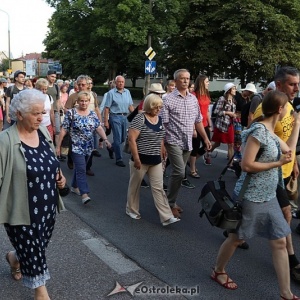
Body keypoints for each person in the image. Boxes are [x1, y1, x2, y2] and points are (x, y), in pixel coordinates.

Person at [211, 90, 300, 300]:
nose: (288, 112)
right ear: (279, 109)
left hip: (269, 196)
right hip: (251, 197)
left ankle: (285, 293)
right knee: (236, 238)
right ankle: (218, 271)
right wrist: (277, 163)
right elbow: (246, 165)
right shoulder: (259, 131)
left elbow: (289, 151)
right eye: (287, 108)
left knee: (279, 241)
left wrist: (297, 126)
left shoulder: (272, 133)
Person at [0, 89, 66, 300]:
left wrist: (60, 176)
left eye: (43, 113)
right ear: (19, 114)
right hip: (20, 208)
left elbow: (50, 162)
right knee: (34, 251)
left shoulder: (43, 133)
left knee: (36, 247)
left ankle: (14, 258)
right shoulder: (5, 141)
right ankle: (41, 293)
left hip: (47, 206)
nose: (41, 118)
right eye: (36, 113)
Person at [253, 66, 300, 282]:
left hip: (285, 169)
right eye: (292, 84)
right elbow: (253, 139)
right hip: (271, 172)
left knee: (247, 218)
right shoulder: (267, 108)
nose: (297, 88)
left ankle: (234, 230)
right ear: (279, 85)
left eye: (298, 84)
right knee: (286, 213)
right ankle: (292, 261)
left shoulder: (288, 105)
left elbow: (288, 139)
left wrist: (294, 165)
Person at [161, 69, 211, 218]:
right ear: (175, 81)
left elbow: (198, 121)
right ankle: (169, 204)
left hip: (187, 141)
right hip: (173, 140)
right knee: (179, 172)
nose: (185, 81)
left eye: (187, 79)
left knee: (178, 173)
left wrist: (206, 138)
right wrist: (162, 144)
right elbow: (163, 123)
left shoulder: (193, 99)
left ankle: (171, 201)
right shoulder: (167, 99)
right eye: (182, 78)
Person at [126, 93, 180, 226]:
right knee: (135, 186)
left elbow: (161, 137)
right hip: (140, 159)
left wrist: (162, 150)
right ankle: (131, 209)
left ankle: (166, 216)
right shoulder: (140, 118)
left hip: (155, 159)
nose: (158, 109)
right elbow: (131, 139)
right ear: (149, 106)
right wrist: (137, 158)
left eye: (160, 107)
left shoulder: (159, 119)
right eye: (156, 107)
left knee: (159, 188)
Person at [56, 91, 111, 204]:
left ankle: (74, 186)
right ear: (78, 101)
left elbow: (98, 128)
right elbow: (64, 130)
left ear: (89, 102)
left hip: (89, 146)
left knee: (81, 167)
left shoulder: (92, 114)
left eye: (86, 101)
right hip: (76, 146)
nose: (84, 103)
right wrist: (58, 146)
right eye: (82, 101)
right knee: (81, 169)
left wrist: (105, 140)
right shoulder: (71, 113)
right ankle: (84, 193)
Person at [104, 75, 134, 167]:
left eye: (122, 82)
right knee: (117, 138)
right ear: (116, 83)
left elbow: (130, 106)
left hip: (124, 117)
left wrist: (137, 116)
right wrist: (106, 121)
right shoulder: (111, 93)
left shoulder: (127, 92)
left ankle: (111, 148)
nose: (121, 83)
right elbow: (107, 108)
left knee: (122, 138)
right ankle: (119, 159)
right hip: (115, 117)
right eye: (119, 82)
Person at [207, 83, 237, 170]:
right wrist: (227, 112)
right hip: (221, 125)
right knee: (217, 143)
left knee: (231, 144)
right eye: (234, 89)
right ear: (229, 90)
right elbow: (216, 112)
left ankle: (230, 164)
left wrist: (234, 115)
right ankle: (208, 153)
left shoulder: (233, 100)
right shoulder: (222, 99)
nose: (235, 90)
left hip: (230, 125)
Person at [190, 74, 213, 171]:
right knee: (195, 147)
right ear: (201, 82)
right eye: (207, 81)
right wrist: (193, 128)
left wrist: (210, 124)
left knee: (207, 146)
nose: (208, 83)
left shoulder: (207, 94)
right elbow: (191, 112)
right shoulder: (194, 94)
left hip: (205, 124)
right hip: (196, 124)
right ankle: (192, 168)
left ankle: (190, 161)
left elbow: (207, 110)